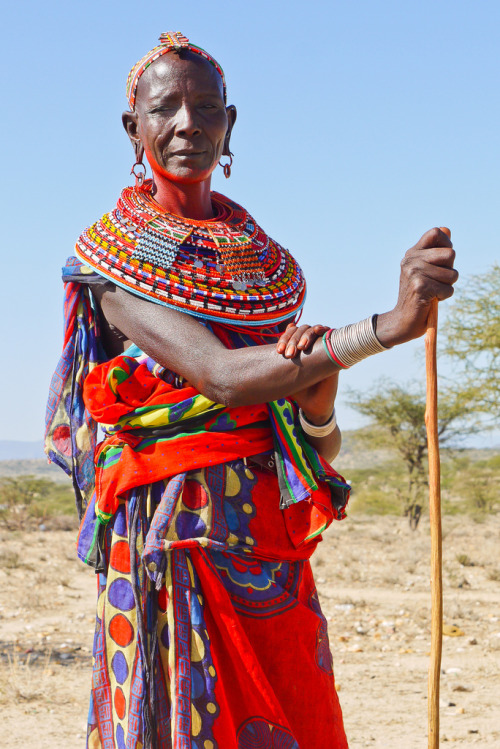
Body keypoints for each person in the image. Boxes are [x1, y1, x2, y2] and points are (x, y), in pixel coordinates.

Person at [45, 32, 458, 749]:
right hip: (175, 540)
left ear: (230, 124)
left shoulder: (261, 264)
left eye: (206, 108)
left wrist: (319, 386)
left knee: (290, 718)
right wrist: (388, 327)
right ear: (133, 127)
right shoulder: (112, 259)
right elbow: (225, 378)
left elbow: (309, 431)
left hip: (268, 539)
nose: (187, 124)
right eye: (165, 107)